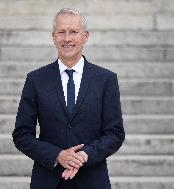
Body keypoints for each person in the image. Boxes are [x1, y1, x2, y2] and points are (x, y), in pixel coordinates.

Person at [12, 8, 125, 189]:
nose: (67, 38)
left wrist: (84, 155)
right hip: (48, 181)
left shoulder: (106, 80)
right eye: (61, 32)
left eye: (74, 32)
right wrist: (57, 155)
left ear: (85, 37)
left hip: (92, 180)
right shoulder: (35, 80)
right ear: (53, 37)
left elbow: (115, 133)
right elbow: (21, 135)